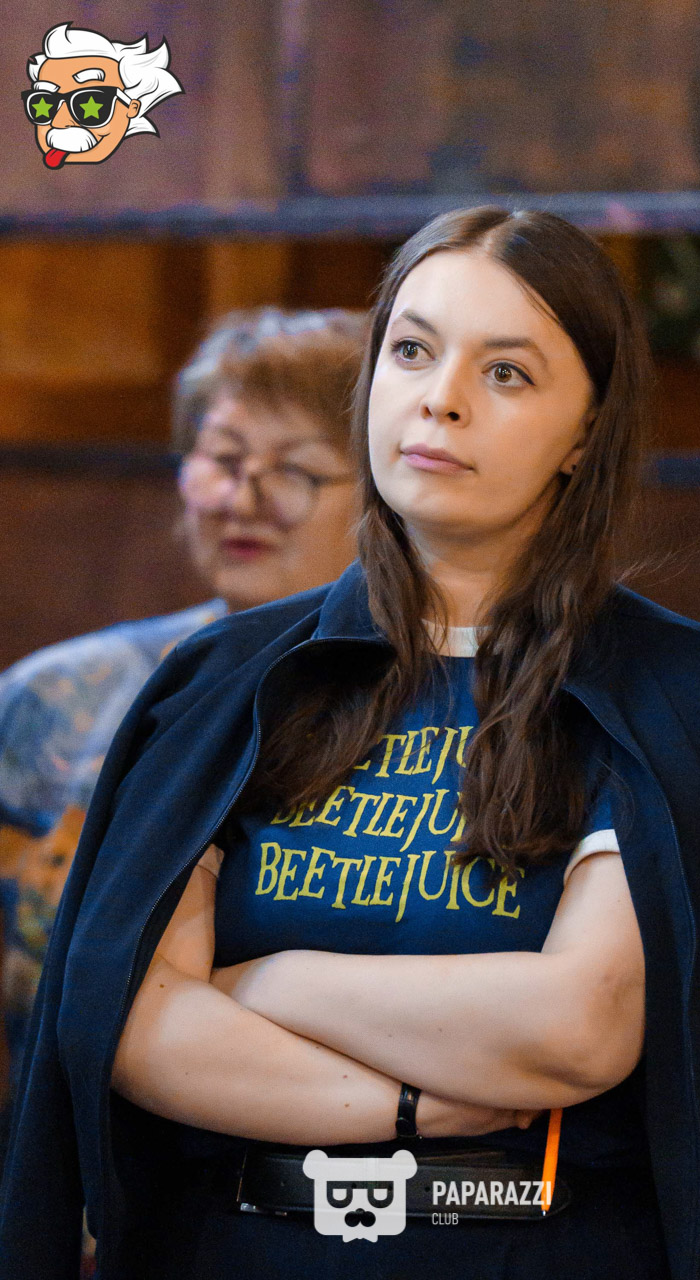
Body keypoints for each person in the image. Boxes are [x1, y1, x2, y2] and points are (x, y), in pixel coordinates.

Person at [2, 208, 700, 1280]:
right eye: (412, 350)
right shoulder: (224, 686)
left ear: (585, 432)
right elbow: (137, 1029)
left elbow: (575, 1027)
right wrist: (418, 1104)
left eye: (506, 372)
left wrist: (266, 981)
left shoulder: (673, 699)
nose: (441, 398)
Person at [0, 307, 366, 1137]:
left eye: (296, 470)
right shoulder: (54, 699)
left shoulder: (444, 716)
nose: (242, 499)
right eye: (222, 460)